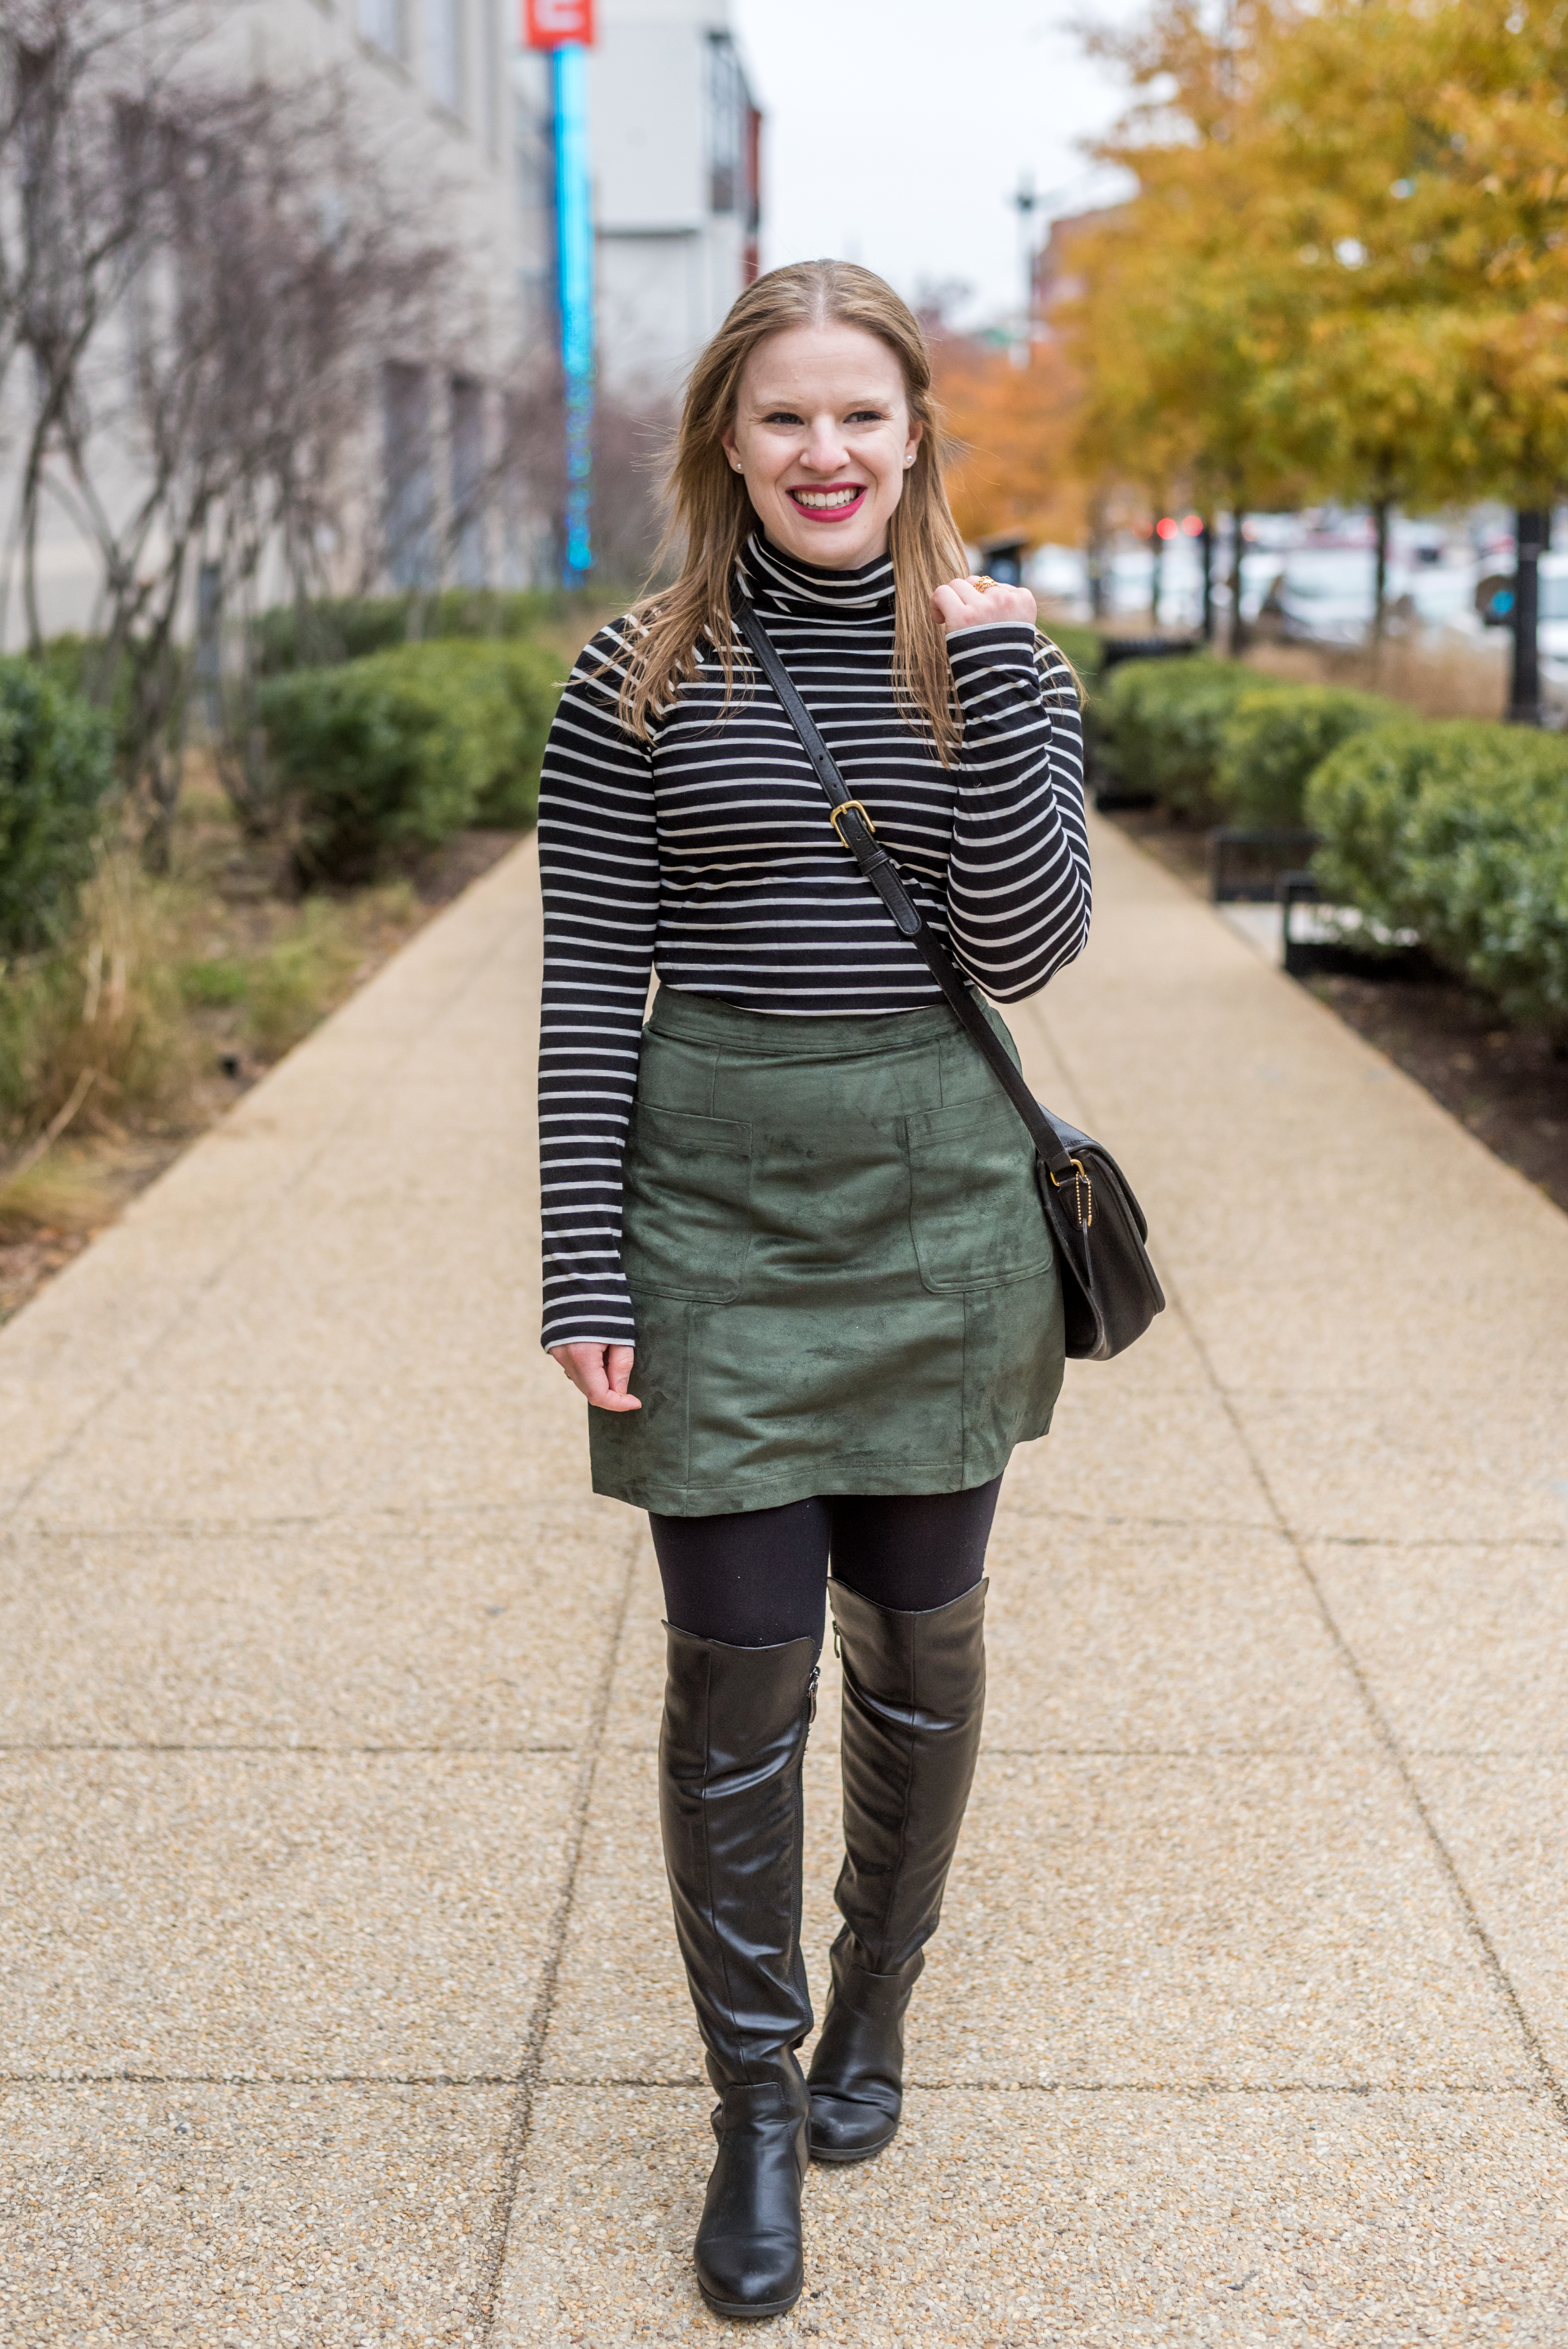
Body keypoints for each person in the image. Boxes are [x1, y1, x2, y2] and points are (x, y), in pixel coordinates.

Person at [537, 259, 1090, 2322]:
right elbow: (591, 986)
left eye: (862, 413)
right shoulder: (629, 678)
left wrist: (1017, 684)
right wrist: (577, 1259)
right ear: (726, 444)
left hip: (941, 1203)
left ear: (915, 433)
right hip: (714, 1204)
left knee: (920, 1646)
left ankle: (877, 1999)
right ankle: (750, 2102)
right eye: (784, 416)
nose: (826, 451)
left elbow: (1028, 946)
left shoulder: (992, 662)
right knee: (734, 1675)